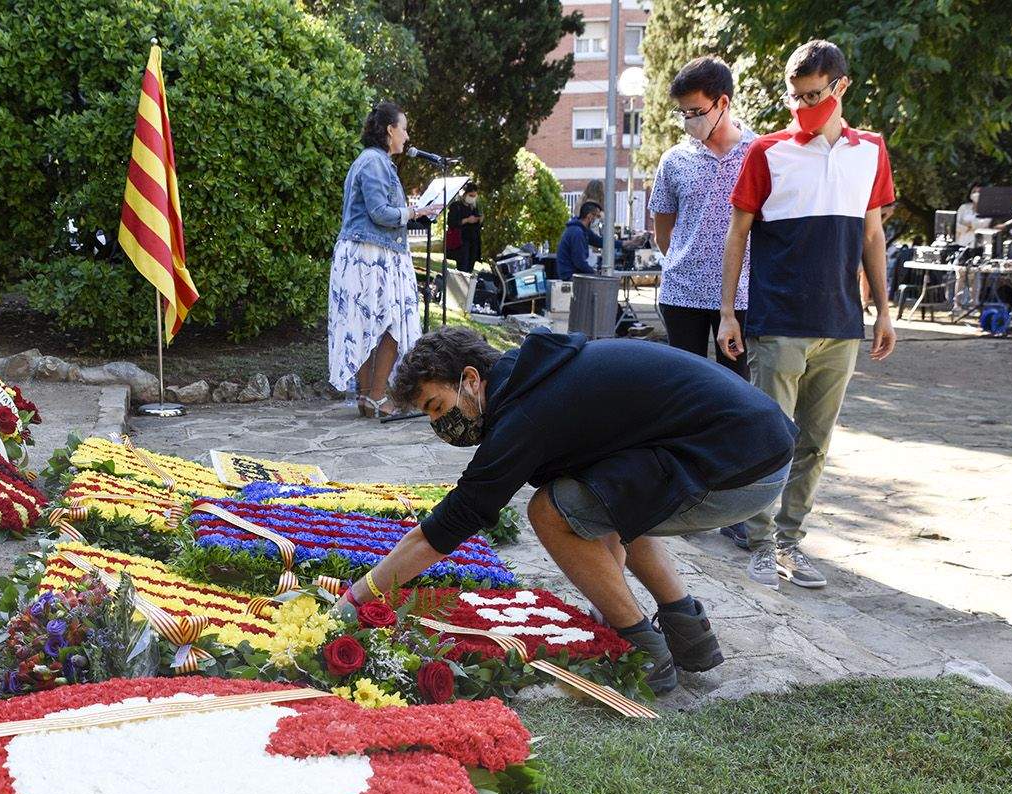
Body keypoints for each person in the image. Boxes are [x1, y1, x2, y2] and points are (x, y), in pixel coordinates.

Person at [340, 326, 797, 695]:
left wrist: (357, 595)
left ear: (471, 379)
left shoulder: (526, 415)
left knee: (551, 510)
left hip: (742, 471)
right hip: (755, 446)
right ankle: (690, 637)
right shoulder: (534, 376)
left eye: (438, 407)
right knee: (603, 495)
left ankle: (639, 649)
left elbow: (450, 524)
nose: (440, 424)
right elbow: (612, 506)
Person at [716, 39, 897, 592]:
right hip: (777, 322)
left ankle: (793, 541)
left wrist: (884, 311)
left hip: (841, 323)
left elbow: (872, 234)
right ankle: (761, 544)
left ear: (840, 87)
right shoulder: (768, 151)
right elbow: (738, 235)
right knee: (771, 438)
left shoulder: (871, 151)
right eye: (794, 96)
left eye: (813, 94)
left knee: (816, 444)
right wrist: (728, 312)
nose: (802, 106)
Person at [328, 101, 441, 419]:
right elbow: (380, 213)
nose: (406, 136)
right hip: (371, 258)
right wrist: (416, 211)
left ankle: (367, 399)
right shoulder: (375, 163)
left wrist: (411, 212)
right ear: (390, 130)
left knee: (364, 326)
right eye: (403, 128)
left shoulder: (367, 161)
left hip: (364, 255)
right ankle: (376, 397)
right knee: (393, 323)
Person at [651, 56, 756, 382]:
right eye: (683, 113)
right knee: (684, 387)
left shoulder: (759, 153)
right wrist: (688, 263)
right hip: (682, 294)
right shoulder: (674, 160)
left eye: (696, 112)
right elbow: (662, 232)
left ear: (723, 103)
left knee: (737, 388)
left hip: (742, 295)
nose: (689, 121)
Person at [554, 200, 602, 279]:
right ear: (589, 216)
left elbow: (598, 241)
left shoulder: (581, 229)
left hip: (571, 273)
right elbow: (579, 262)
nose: (598, 220)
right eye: (597, 216)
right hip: (570, 275)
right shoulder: (577, 233)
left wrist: (623, 244)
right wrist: (594, 273)